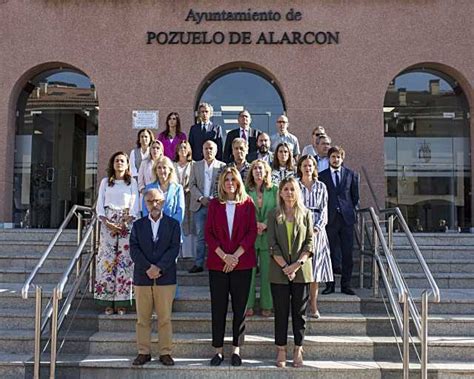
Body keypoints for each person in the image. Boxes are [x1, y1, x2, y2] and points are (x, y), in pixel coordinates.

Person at [205, 167, 257, 367]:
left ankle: (236, 348)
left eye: (233, 180)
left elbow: (251, 233)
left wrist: (234, 257)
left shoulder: (247, 204)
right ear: (222, 183)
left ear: (238, 183)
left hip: (241, 263)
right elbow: (209, 234)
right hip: (218, 264)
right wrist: (224, 256)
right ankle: (217, 350)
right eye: (226, 180)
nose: (229, 183)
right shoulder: (214, 205)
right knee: (218, 308)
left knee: (239, 308)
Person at [130, 188, 181, 367]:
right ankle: (143, 352)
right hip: (142, 278)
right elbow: (134, 250)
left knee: (164, 318)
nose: (154, 204)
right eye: (151, 201)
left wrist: (159, 267)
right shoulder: (138, 225)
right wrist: (148, 267)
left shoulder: (173, 224)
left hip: (165, 277)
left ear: (164, 202)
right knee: (142, 319)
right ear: (145, 203)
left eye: (158, 201)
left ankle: (165, 352)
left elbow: (174, 248)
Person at [267, 176, 314, 368]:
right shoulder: (273, 214)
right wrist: (285, 267)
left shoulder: (306, 214)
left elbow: (310, 241)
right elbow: (272, 244)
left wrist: (296, 265)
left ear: (297, 192)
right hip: (279, 271)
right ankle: (281, 349)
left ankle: (298, 348)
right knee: (281, 312)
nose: (289, 193)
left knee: (299, 313)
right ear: (280, 192)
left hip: (301, 271)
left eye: (292, 189)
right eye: (285, 189)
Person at [95, 151, 139, 315]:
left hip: (126, 222)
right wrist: (107, 222)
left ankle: (122, 303)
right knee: (107, 262)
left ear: (127, 164)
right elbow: (100, 204)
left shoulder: (132, 183)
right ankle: (107, 301)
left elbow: (135, 204)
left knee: (125, 263)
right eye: (116, 161)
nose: (119, 163)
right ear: (112, 164)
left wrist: (126, 221)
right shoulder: (106, 182)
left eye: (122, 161)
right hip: (108, 222)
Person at [319, 146, 359, 296]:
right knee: (328, 253)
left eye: (338, 157)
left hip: (346, 219)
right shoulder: (321, 176)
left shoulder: (351, 175)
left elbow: (355, 197)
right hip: (329, 220)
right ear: (329, 158)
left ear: (342, 159)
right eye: (333, 157)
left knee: (347, 253)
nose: (336, 159)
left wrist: (348, 209)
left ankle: (346, 285)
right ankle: (329, 285)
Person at [297, 155, 333, 318]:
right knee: (299, 268)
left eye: (310, 165)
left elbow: (325, 210)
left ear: (314, 168)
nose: (307, 168)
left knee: (315, 271)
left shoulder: (321, 186)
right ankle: (298, 305)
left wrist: (317, 229)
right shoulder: (296, 185)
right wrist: (302, 229)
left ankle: (313, 304)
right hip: (299, 231)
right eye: (304, 165)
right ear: (300, 167)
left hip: (318, 232)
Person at [245, 159, 278, 317]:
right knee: (248, 273)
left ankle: (267, 304)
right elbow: (241, 210)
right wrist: (254, 224)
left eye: (261, 168)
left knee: (267, 272)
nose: (258, 171)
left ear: (266, 172)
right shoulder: (245, 189)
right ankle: (248, 304)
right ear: (251, 172)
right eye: (255, 168)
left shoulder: (274, 190)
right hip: (250, 236)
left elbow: (278, 210)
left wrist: (265, 224)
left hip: (268, 235)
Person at [188, 140, 226, 273]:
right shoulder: (195, 166)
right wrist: (201, 198)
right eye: (206, 148)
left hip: (216, 206)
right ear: (202, 150)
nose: (208, 151)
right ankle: (198, 263)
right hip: (200, 206)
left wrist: (213, 199)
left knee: (216, 235)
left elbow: (223, 186)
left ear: (215, 151)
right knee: (200, 235)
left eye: (211, 148)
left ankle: (214, 261)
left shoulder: (222, 166)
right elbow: (191, 185)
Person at [142, 156, 184, 225]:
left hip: (172, 228)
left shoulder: (178, 188)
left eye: (164, 167)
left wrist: (170, 226)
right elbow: (145, 210)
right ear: (155, 170)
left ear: (170, 170)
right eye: (159, 168)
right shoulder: (148, 188)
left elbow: (180, 212)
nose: (162, 170)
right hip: (153, 227)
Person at [173, 141, 195, 258]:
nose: (183, 150)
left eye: (185, 148)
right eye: (180, 147)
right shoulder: (172, 165)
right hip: (176, 198)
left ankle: (188, 254)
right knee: (177, 222)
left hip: (189, 197)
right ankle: (178, 254)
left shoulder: (193, 165)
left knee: (189, 224)